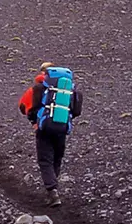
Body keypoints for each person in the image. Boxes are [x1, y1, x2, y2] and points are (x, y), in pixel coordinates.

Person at [19, 62, 84, 207]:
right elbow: (77, 110)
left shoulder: (38, 88)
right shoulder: (69, 89)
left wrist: (34, 120)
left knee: (45, 160)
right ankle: (53, 186)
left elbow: (24, 107)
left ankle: (52, 191)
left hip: (44, 128)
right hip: (62, 127)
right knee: (57, 157)